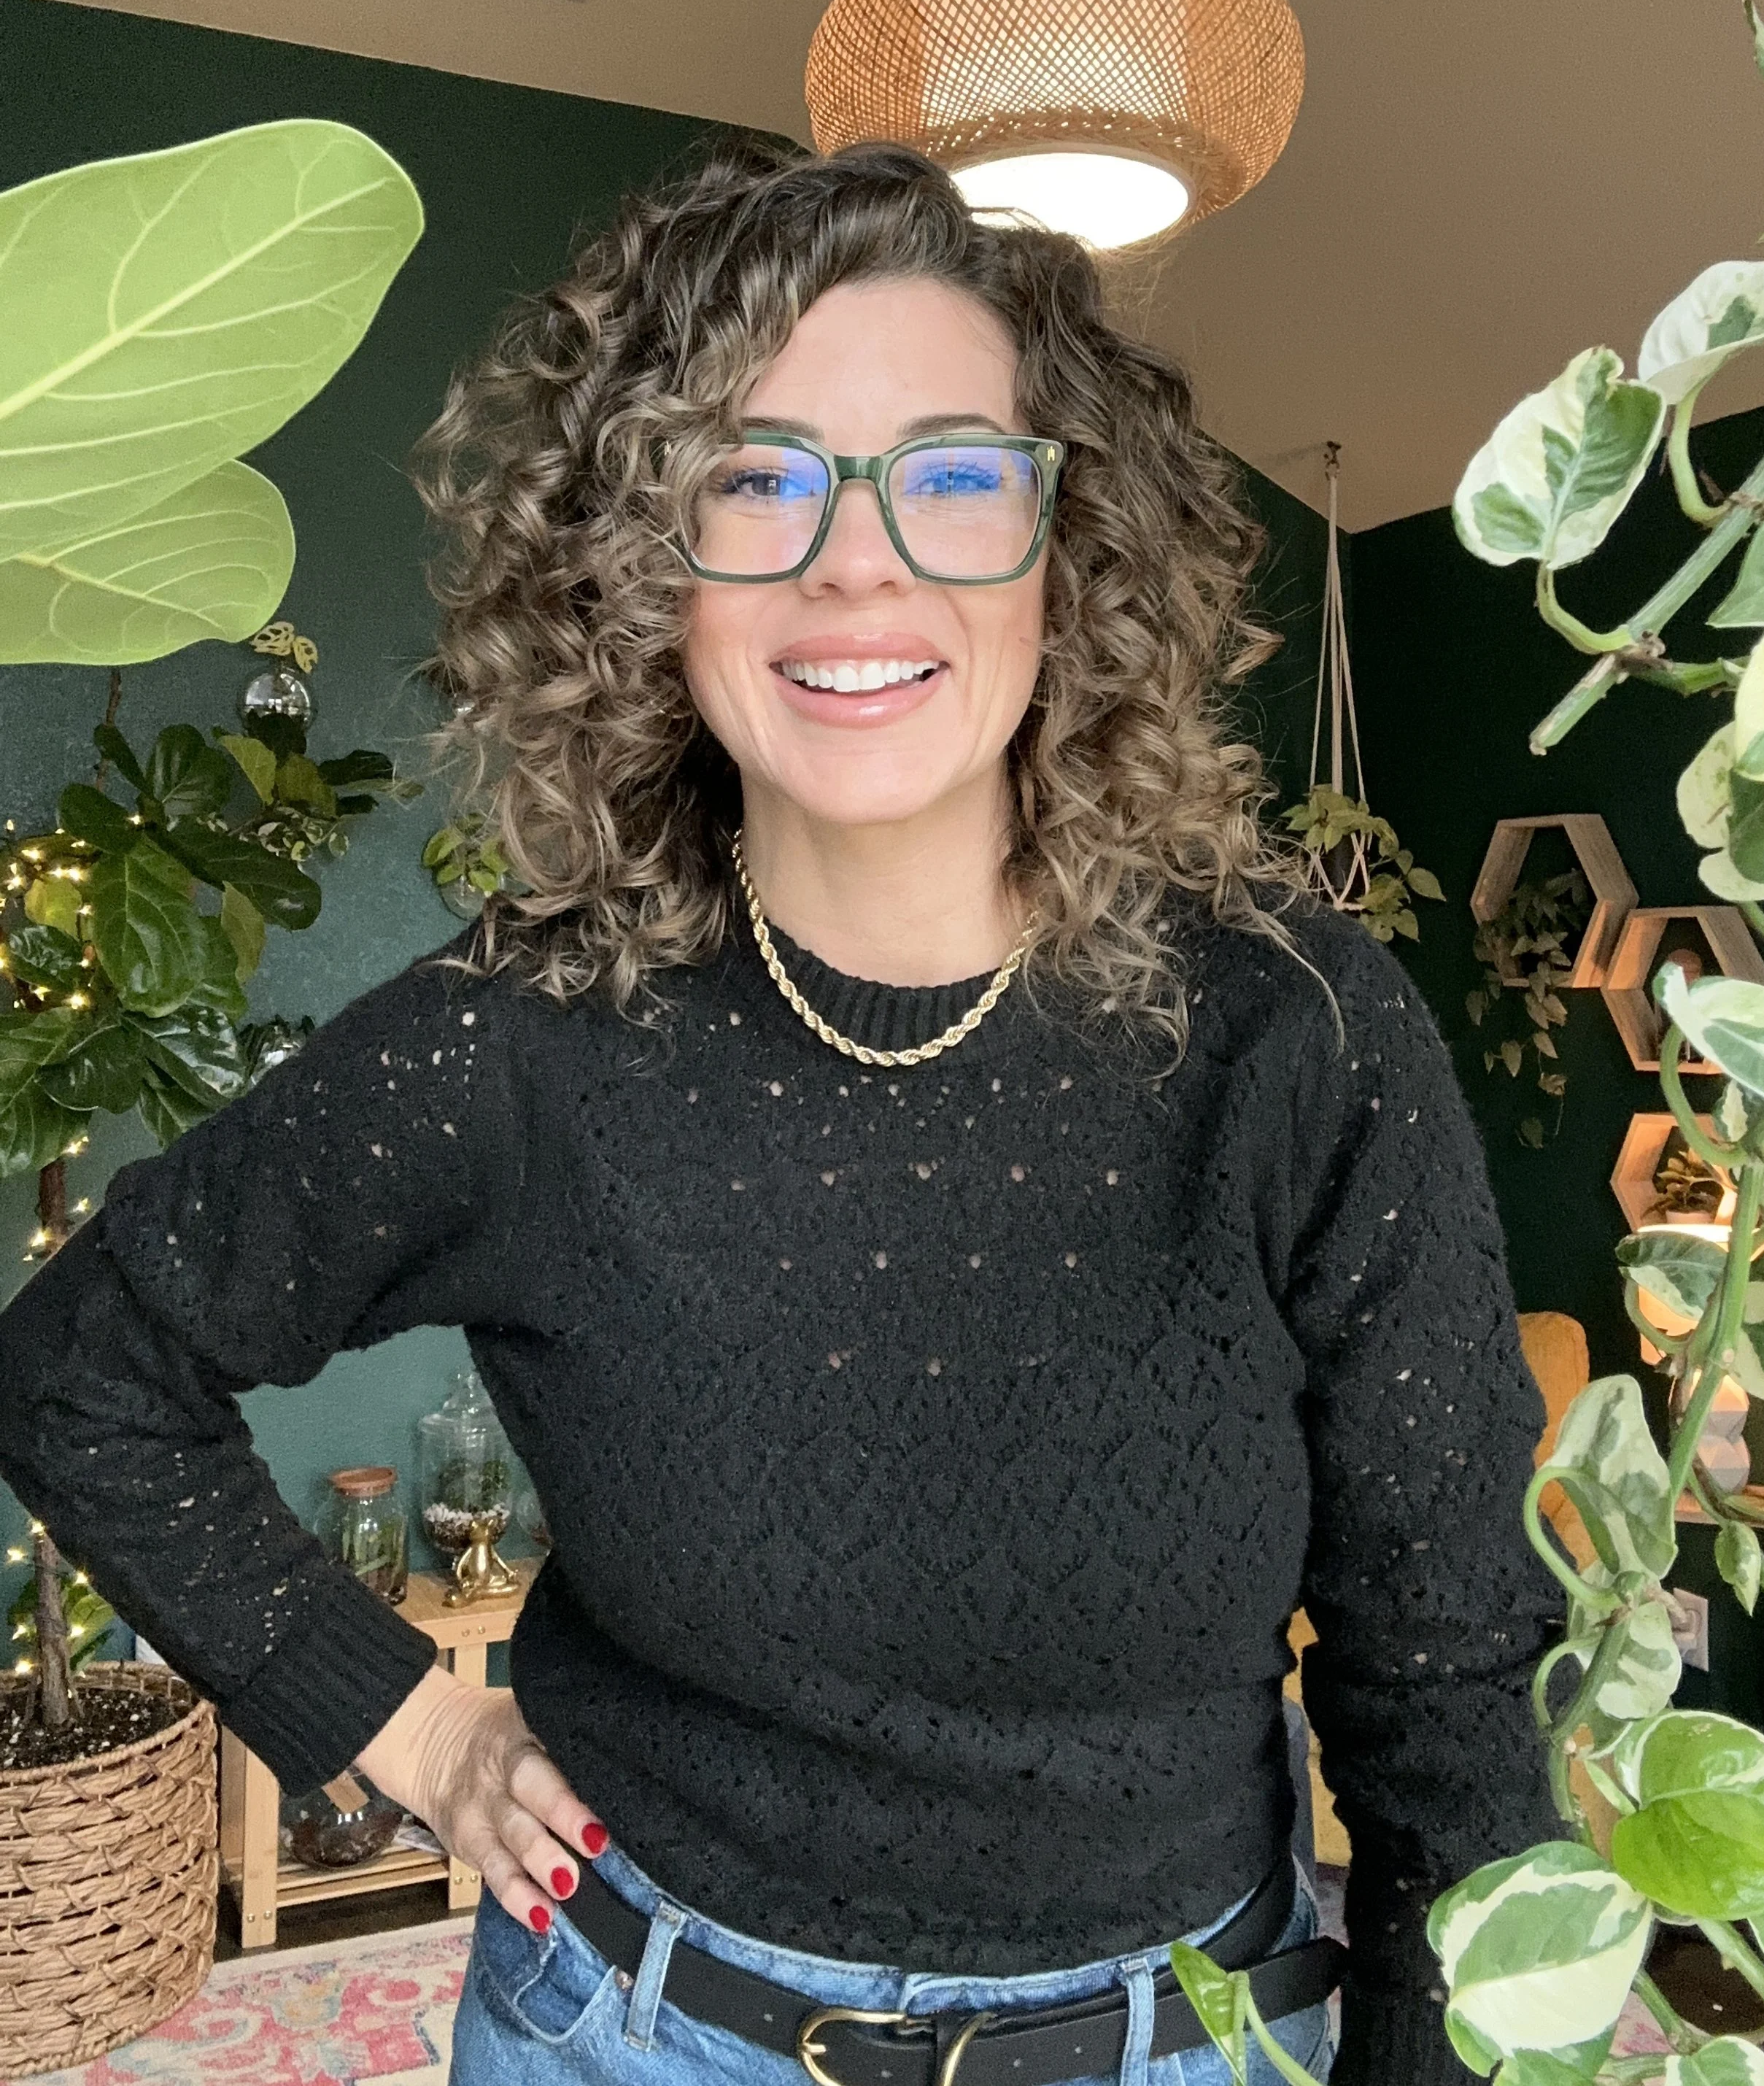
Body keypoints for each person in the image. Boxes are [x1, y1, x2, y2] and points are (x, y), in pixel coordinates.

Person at [0, 140, 1560, 2086]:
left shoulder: (1300, 1030)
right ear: (639, 568)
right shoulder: (516, 1040)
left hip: (1194, 2041)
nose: (857, 557)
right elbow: (85, 1363)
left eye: (955, 474)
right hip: (636, 2038)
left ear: (1068, 547)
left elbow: (1448, 1672)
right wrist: (398, 1719)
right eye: (754, 474)